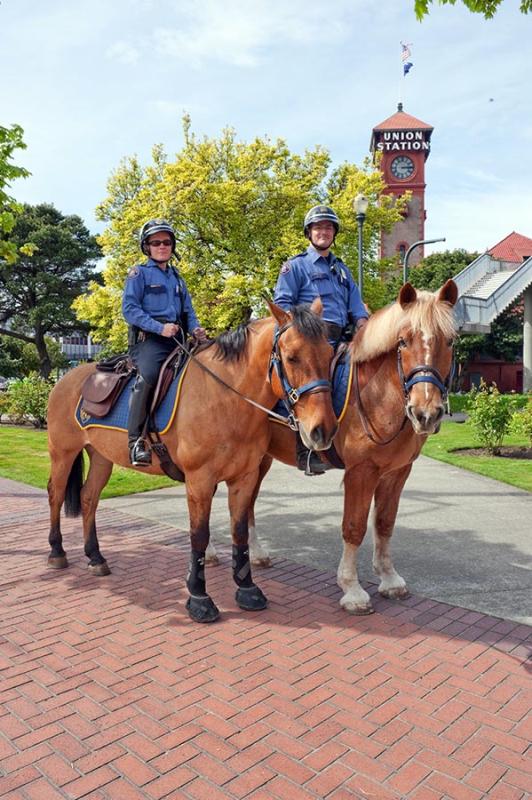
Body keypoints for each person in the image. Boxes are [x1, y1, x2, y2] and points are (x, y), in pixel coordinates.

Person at [273, 204, 369, 475]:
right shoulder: (295, 267)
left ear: (334, 233)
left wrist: (363, 322)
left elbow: (356, 305)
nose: (323, 232)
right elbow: (282, 306)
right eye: (318, 227)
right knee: (316, 387)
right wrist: (305, 326)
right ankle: (306, 452)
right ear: (309, 233)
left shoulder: (342, 270)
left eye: (328, 227)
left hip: (342, 339)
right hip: (310, 341)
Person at [122, 218, 206, 466]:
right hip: (150, 342)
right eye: (156, 242)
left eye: (167, 242)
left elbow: (188, 311)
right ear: (146, 246)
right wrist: (160, 328)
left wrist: (196, 329)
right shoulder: (139, 274)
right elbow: (129, 309)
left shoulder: (178, 279)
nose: (162, 246)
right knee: (148, 375)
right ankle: (136, 442)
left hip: (178, 340)